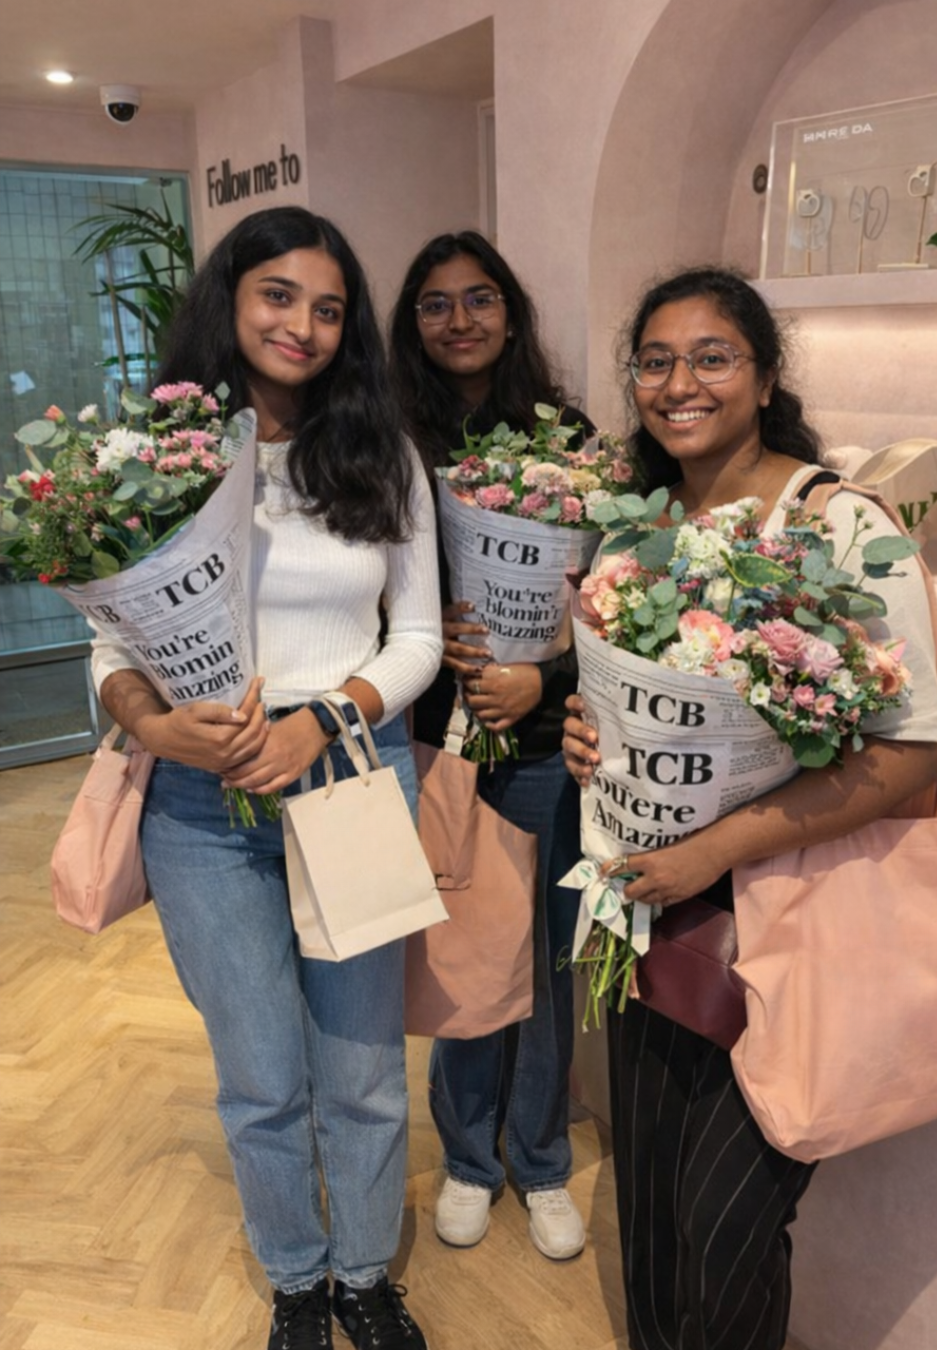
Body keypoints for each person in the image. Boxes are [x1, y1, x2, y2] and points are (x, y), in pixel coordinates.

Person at [562, 267, 937, 1350]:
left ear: (766, 375)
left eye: (712, 356)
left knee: (727, 1231)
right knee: (649, 1213)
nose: (679, 382)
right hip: (646, 916)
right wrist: (588, 742)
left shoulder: (839, 525)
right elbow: (619, 711)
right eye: (655, 360)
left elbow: (914, 751)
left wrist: (717, 849)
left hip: (789, 931)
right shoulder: (633, 534)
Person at [91, 207, 441, 1350]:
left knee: (363, 1069)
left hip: (346, 775)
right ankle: (296, 1276)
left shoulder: (381, 454)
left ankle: (364, 1277)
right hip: (200, 802)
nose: (303, 325)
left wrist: (324, 721)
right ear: (230, 300)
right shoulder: (151, 462)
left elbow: (418, 640)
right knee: (259, 1071)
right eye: (280, 296)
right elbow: (111, 648)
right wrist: (159, 728)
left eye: (329, 308)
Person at [388, 231, 588, 1260]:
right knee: (466, 953)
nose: (458, 320)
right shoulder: (381, 436)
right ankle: (469, 1158)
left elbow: (607, 608)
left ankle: (542, 1160)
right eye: (435, 303)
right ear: (410, 321)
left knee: (546, 961)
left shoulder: (570, 438)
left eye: (479, 299)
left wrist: (539, 676)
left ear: (510, 312)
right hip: (435, 744)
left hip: (548, 744)